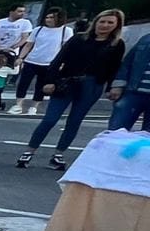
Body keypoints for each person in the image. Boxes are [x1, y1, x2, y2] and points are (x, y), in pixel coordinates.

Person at [19, 9, 127, 169]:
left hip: (92, 84)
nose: (105, 25)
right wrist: (50, 81)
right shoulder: (78, 38)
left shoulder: (117, 44)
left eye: (110, 22)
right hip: (67, 81)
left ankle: (58, 154)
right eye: (102, 21)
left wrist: (111, 88)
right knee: (50, 119)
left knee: (74, 121)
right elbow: (59, 59)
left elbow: (114, 68)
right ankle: (29, 151)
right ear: (96, 22)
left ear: (117, 25)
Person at [11, 8, 70, 114]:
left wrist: (63, 62)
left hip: (50, 62)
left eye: (52, 17)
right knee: (23, 83)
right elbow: (29, 45)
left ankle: (34, 106)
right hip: (32, 60)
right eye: (47, 17)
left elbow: (66, 48)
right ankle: (18, 105)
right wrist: (21, 57)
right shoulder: (38, 29)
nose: (48, 20)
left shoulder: (66, 31)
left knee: (41, 85)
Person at [112, 28, 150, 132]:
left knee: (147, 137)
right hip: (133, 92)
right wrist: (118, 85)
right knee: (116, 131)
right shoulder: (146, 39)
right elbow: (127, 63)